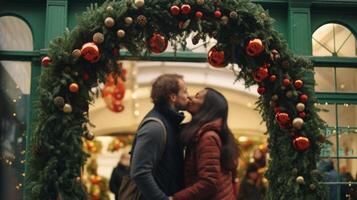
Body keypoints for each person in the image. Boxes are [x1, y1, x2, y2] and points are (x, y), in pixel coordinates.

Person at [172, 88, 240, 200]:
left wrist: (174, 198)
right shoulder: (205, 132)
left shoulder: (208, 137)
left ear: (208, 107)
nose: (190, 97)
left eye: (197, 96)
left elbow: (209, 183)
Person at [130, 74, 190, 200]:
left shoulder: (169, 123)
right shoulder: (155, 127)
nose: (188, 96)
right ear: (173, 97)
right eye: (185, 91)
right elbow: (140, 172)